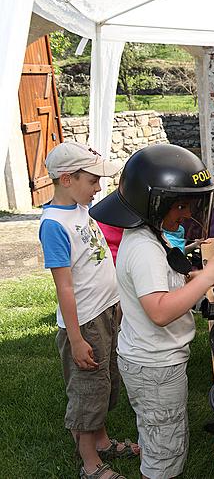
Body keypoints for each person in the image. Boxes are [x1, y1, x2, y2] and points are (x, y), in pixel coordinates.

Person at [90, 144, 214, 479]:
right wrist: (208, 279)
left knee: (160, 437)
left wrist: (197, 277)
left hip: (153, 361)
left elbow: (168, 280)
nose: (187, 213)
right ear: (154, 202)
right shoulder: (144, 248)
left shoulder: (151, 234)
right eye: (182, 205)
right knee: (165, 453)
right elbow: (158, 311)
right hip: (155, 365)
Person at [39, 141, 138, 479]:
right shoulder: (54, 225)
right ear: (67, 179)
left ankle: (102, 442)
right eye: (93, 180)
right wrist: (77, 339)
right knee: (87, 393)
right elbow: (64, 287)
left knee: (106, 384)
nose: (98, 188)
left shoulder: (81, 209)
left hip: (106, 312)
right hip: (85, 323)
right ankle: (89, 462)